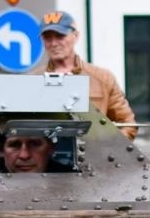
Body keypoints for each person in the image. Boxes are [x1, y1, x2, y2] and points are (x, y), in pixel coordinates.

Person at [35, 11, 137, 140]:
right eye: (47, 37)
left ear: (76, 36)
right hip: (47, 151)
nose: (54, 43)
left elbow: (127, 124)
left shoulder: (102, 78)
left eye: (60, 36)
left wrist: (107, 147)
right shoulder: (32, 81)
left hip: (93, 151)